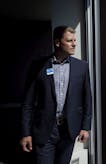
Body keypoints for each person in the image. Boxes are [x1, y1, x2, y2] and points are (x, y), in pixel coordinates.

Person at [20, 25, 92, 164]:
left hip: (69, 130)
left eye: (75, 40)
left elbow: (87, 99)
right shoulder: (38, 66)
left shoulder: (81, 67)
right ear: (58, 42)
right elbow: (28, 103)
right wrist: (25, 133)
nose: (74, 44)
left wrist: (85, 127)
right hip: (45, 131)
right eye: (69, 41)